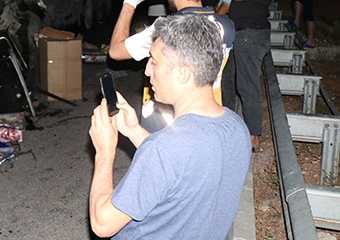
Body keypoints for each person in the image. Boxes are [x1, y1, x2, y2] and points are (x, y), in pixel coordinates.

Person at [89, 15, 252, 239]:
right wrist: (134, 131)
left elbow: (102, 223)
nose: (147, 71)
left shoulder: (163, 149)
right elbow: (183, 167)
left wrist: (104, 153)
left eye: (154, 61)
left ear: (183, 73)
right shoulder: (236, 128)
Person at [109, 0, 234, 123]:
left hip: (169, 123)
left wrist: (129, 4)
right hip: (210, 115)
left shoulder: (164, 30)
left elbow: (115, 51)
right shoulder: (226, 25)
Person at [207, 0, 279, 152]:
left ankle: (253, 137)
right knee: (229, 82)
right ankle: (230, 128)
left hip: (251, 34)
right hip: (241, 34)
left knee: (247, 87)